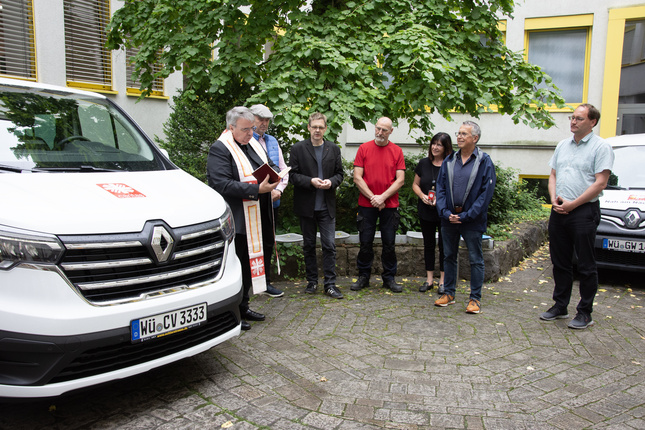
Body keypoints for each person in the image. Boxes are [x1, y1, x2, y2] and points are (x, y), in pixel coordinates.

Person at [540, 104, 614, 329]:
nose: (573, 121)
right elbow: (553, 175)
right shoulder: (562, 145)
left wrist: (573, 204)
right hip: (559, 209)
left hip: (583, 211)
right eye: (572, 118)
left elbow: (600, 183)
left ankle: (585, 312)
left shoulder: (601, 147)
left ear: (592, 122)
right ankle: (560, 305)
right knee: (559, 261)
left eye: (579, 118)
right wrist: (553, 199)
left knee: (585, 264)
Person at [207, 107, 279, 331]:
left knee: (251, 264)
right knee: (239, 265)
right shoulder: (220, 148)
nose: (251, 134)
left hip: (260, 214)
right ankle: (234, 312)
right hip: (239, 218)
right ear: (231, 128)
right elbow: (221, 184)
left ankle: (244, 305)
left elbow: (269, 164)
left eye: (252, 129)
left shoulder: (252, 144)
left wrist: (276, 175)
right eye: (246, 130)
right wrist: (257, 189)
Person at [435, 121, 496, 314]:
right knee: (449, 256)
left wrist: (466, 216)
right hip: (449, 219)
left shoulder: (484, 161)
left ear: (475, 138)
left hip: (472, 221)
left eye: (464, 134)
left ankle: (475, 299)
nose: (459, 137)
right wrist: (446, 213)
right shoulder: (449, 160)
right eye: (458, 133)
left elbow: (485, 195)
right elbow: (440, 188)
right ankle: (449, 294)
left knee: (475, 259)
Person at [289, 113, 345, 299]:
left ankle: (330, 284)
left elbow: (340, 174)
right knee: (309, 245)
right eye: (314, 127)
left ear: (325, 129)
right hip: (307, 206)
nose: (317, 130)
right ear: (308, 127)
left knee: (329, 245)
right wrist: (310, 181)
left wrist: (331, 182)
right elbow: (292, 176)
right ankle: (312, 281)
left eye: (321, 127)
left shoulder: (333, 149)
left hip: (326, 207)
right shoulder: (298, 148)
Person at [351, 117, 406, 293]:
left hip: (389, 206)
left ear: (391, 131)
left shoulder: (397, 151)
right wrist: (373, 198)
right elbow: (357, 177)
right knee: (365, 242)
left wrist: (382, 197)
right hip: (366, 205)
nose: (380, 132)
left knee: (389, 243)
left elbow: (400, 180)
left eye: (384, 130)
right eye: (378, 128)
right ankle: (363, 277)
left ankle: (389, 278)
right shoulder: (364, 148)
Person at [249, 104, 288, 299]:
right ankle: (248, 283)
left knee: (267, 243)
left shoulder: (272, 141)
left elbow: (282, 169)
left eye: (267, 120)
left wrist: (278, 190)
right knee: (249, 243)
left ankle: (264, 282)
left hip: (271, 202)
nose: (264, 123)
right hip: (251, 201)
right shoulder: (245, 141)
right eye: (260, 119)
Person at [412, 132, 453, 294]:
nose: (435, 147)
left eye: (439, 145)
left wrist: (441, 200)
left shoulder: (451, 164)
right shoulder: (423, 163)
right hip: (426, 211)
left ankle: (442, 281)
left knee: (444, 246)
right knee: (428, 244)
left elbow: (454, 189)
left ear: (446, 147)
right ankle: (429, 280)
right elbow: (415, 184)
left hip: (443, 212)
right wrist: (422, 196)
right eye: (433, 144)